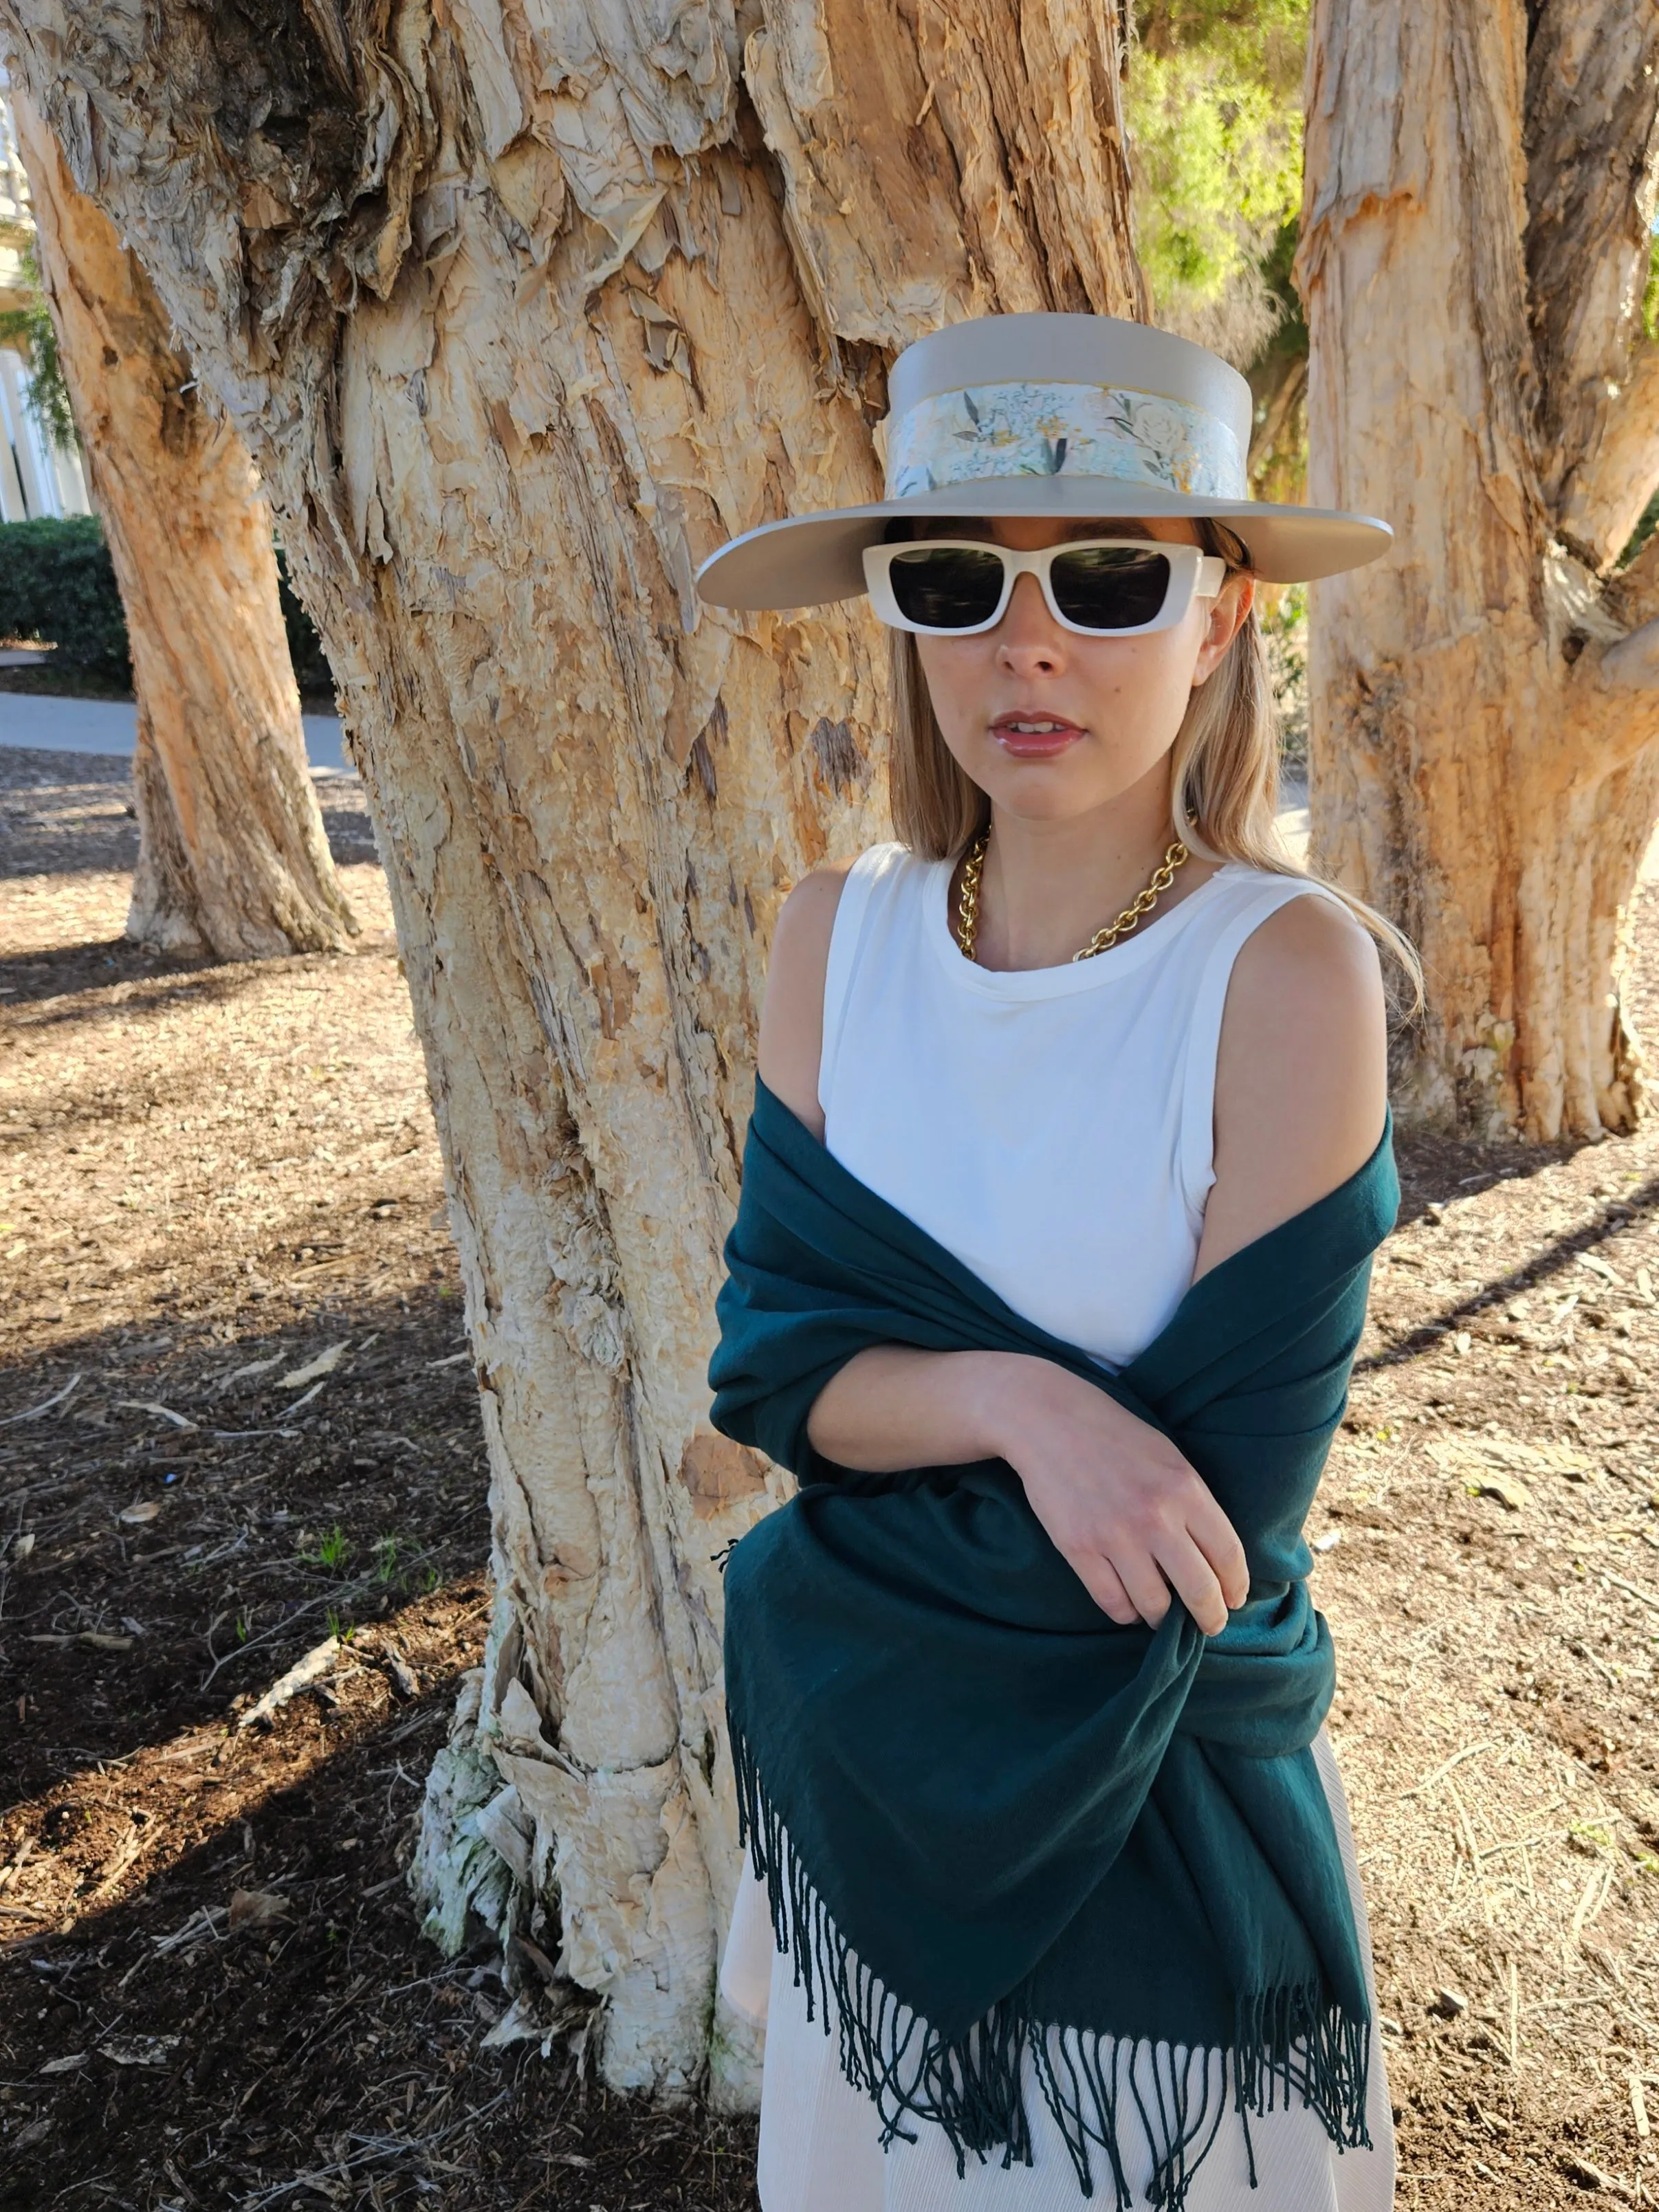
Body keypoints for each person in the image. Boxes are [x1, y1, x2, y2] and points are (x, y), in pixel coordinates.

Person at [696, 313, 1416, 2212]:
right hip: (867, 1829)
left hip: (1148, 1844)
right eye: (956, 579)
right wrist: (1022, 1407)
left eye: (1106, 578)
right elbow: (773, 1375)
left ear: (1222, 613)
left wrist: (877, 1471)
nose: (1027, 643)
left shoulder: (1277, 972)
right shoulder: (830, 939)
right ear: (903, 618)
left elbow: (1194, 1543)